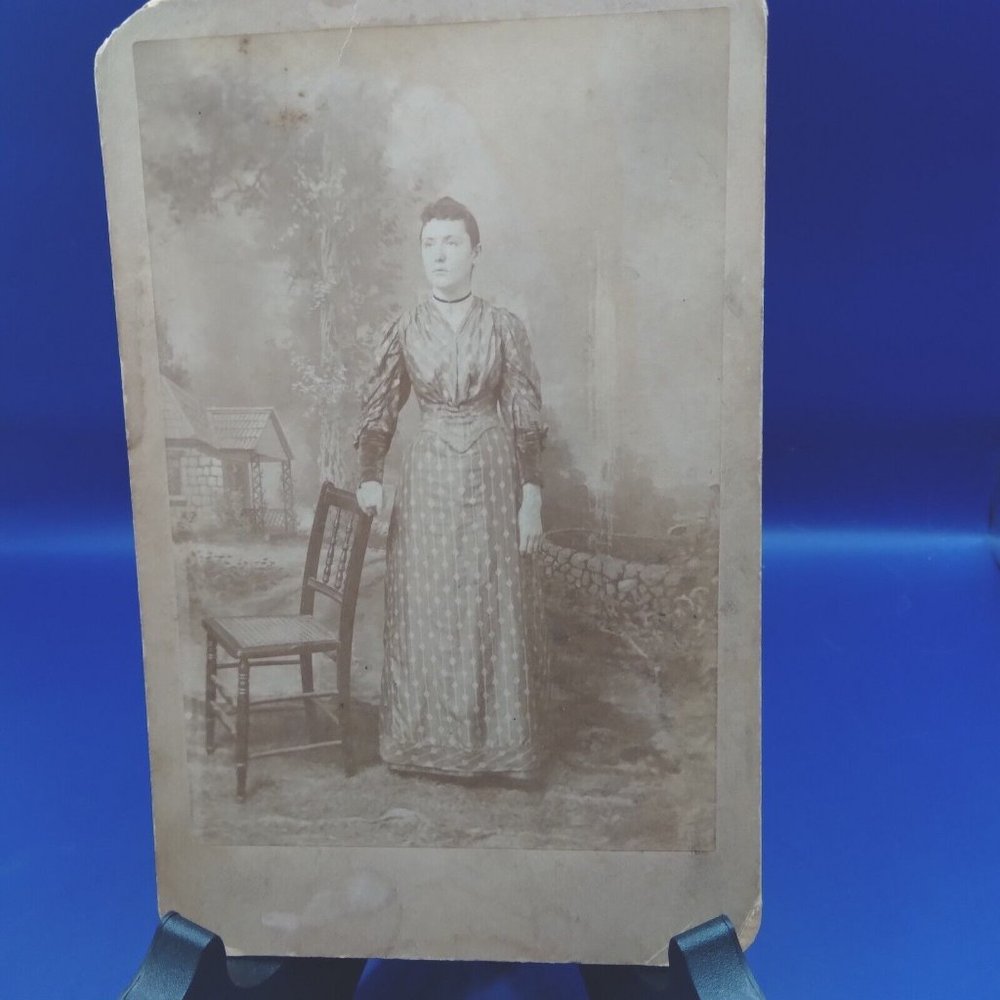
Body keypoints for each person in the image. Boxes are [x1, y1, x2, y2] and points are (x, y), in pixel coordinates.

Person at [354, 196, 549, 781]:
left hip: (493, 475)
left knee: (493, 602)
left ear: (476, 252)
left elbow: (524, 415)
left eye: (452, 243)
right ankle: (423, 744)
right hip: (429, 478)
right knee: (427, 601)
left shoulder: (504, 327)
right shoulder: (405, 328)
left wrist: (532, 496)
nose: (439, 255)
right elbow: (380, 410)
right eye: (429, 244)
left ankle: (499, 751)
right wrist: (370, 475)